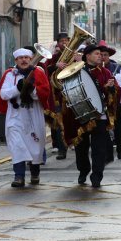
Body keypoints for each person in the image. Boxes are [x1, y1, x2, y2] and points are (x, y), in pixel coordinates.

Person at [64, 44, 120, 187]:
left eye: (101, 54)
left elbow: (115, 92)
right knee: (81, 148)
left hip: (99, 116)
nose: (100, 56)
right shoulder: (76, 71)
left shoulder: (106, 72)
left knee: (99, 149)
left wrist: (111, 88)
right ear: (87, 56)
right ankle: (83, 171)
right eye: (96, 53)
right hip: (81, 116)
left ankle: (97, 176)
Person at [0, 48, 50, 187]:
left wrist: (31, 89)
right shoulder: (9, 75)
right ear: (16, 60)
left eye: (26, 57)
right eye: (20, 58)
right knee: (17, 146)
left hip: (34, 114)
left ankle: (35, 173)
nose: (24, 60)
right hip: (15, 116)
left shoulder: (38, 72)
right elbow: (3, 94)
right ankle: (19, 176)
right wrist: (17, 88)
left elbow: (44, 93)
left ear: (31, 58)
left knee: (35, 147)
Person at [99, 40, 121, 161]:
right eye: (101, 55)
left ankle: (119, 149)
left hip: (116, 104)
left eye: (105, 55)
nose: (103, 57)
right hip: (100, 104)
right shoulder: (94, 68)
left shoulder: (117, 68)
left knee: (118, 126)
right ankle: (105, 151)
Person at [46, 32, 70, 160]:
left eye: (66, 41)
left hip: (71, 93)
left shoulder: (74, 56)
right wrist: (56, 66)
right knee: (58, 123)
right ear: (58, 43)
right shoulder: (53, 58)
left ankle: (72, 144)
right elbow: (45, 71)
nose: (64, 43)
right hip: (57, 95)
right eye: (62, 41)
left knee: (70, 122)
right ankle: (62, 148)